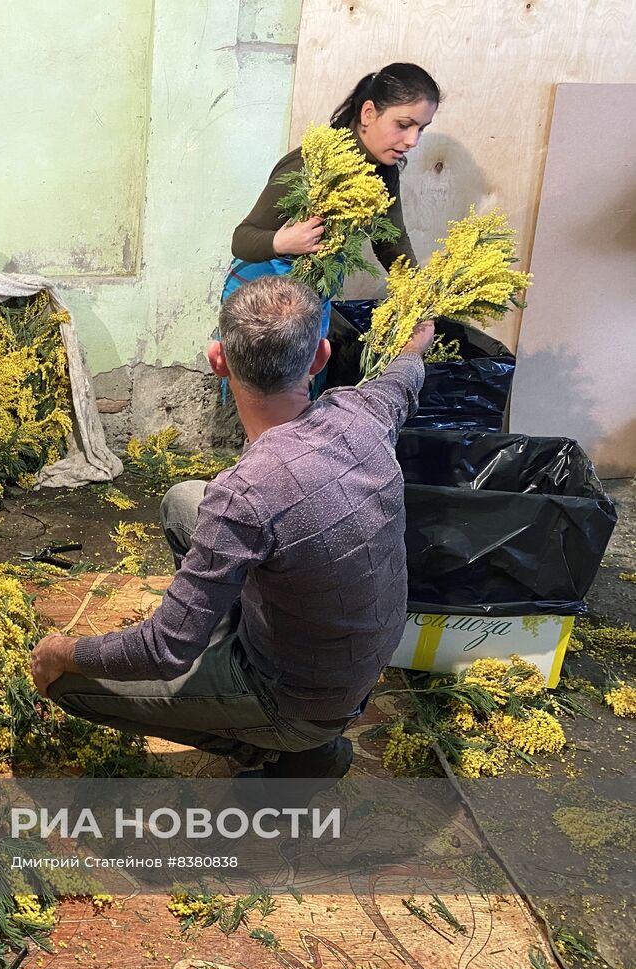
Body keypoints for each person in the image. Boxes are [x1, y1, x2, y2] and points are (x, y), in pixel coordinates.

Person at [29, 276, 436, 802]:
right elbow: (404, 378)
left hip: (303, 700)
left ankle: (294, 756)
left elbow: (163, 650)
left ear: (217, 360)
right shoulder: (363, 411)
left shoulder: (245, 494)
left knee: (70, 682)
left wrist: (63, 650)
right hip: (358, 659)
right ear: (320, 357)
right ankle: (260, 691)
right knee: (182, 503)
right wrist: (417, 340)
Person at [223, 62, 441, 391]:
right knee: (265, 405)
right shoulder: (312, 163)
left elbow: (390, 242)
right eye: (404, 124)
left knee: (300, 401)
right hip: (261, 308)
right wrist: (285, 242)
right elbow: (242, 239)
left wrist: (416, 295)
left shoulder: (383, 170)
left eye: (421, 129)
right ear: (368, 113)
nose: (412, 140)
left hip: (309, 304)